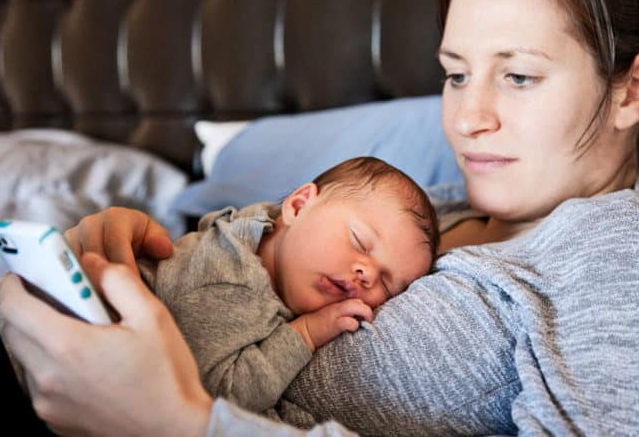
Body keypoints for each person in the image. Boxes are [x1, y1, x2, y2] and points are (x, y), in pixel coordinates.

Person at [0, 0, 639, 435]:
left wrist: (178, 425)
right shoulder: (425, 208)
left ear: (632, 90)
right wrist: (120, 257)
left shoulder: (620, 247)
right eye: (457, 73)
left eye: (518, 76)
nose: (467, 119)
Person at [136, 156, 437, 412]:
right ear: (299, 205)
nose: (367, 274)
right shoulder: (230, 275)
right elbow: (219, 400)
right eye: (359, 241)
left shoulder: (276, 248)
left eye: (386, 284)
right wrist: (305, 333)